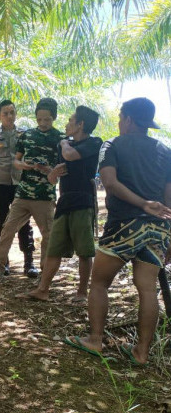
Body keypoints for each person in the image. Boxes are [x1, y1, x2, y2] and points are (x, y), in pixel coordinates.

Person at [65, 98, 171, 366]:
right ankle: (141, 353)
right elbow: (169, 198)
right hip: (158, 229)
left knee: (99, 282)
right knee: (148, 290)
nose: (120, 122)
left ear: (129, 120)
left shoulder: (111, 144)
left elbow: (110, 184)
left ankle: (96, 340)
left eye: (121, 117)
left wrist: (141, 203)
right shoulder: (166, 151)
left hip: (123, 224)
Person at [20, 107, 102, 302]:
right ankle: (43, 289)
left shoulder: (93, 143)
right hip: (64, 202)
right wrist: (53, 173)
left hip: (83, 201)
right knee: (54, 248)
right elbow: (52, 180)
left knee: (84, 250)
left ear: (81, 124)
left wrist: (64, 142)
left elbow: (71, 155)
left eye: (71, 120)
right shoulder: (64, 146)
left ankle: (82, 293)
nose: (66, 124)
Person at [0, 98, 63, 281]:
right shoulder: (27, 135)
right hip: (23, 192)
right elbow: (16, 159)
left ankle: (44, 273)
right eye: (39, 120)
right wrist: (23, 165)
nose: (43, 123)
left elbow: (65, 165)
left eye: (47, 120)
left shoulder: (60, 139)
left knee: (47, 234)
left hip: (44, 195)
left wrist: (52, 172)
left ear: (53, 118)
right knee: (7, 229)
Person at [0, 100, 37, 277]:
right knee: (0, 223)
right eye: (5, 113)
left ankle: (29, 263)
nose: (9, 116)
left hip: (20, 184)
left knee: (24, 224)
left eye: (12, 112)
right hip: (0, 184)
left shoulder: (25, 134)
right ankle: (3, 263)